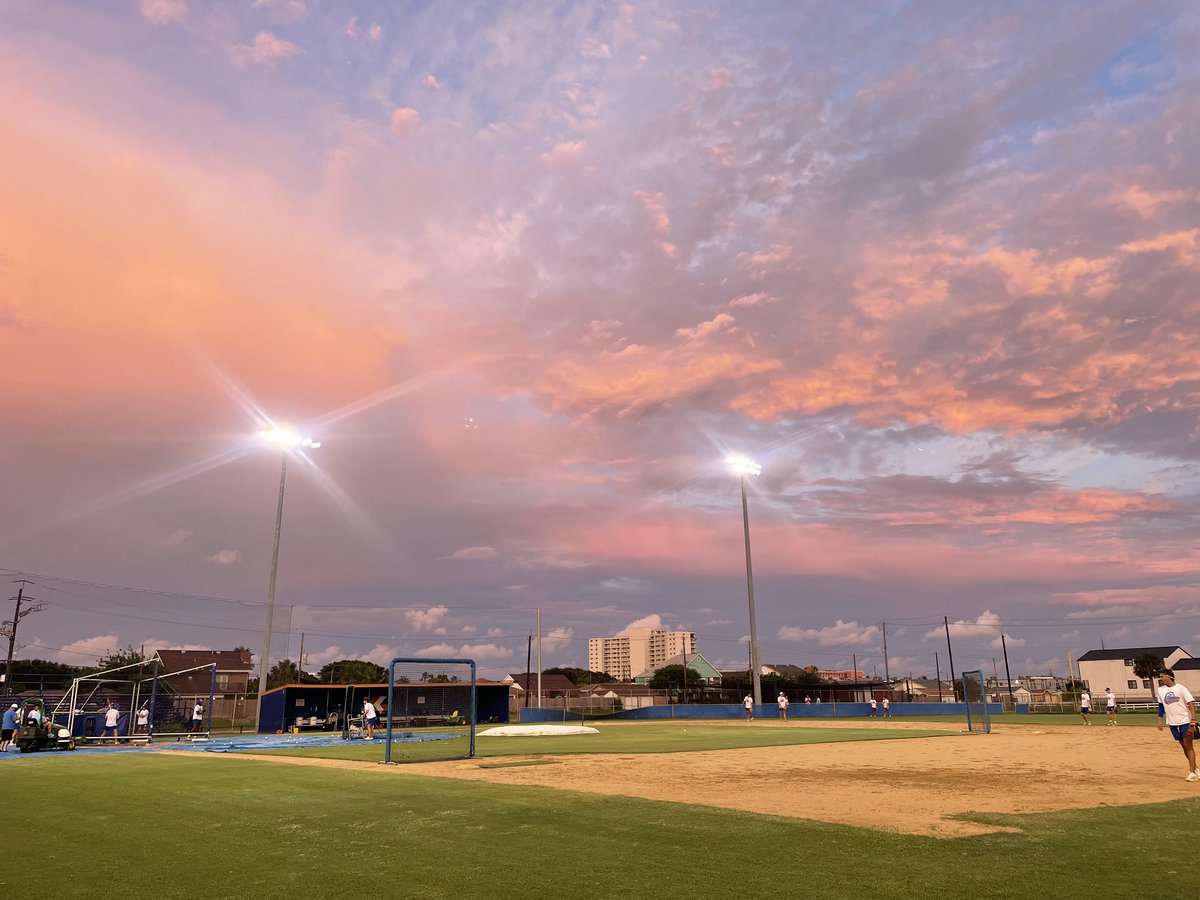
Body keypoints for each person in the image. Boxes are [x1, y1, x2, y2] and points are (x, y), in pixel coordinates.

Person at [1156, 668, 1198, 781]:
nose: (1161, 679)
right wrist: (1160, 719)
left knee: (1188, 746)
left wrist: (1193, 719)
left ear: (1169, 676)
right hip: (1172, 722)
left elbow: (1190, 703)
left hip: (1185, 721)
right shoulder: (1160, 690)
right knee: (1184, 747)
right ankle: (1196, 769)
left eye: (1162, 676)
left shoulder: (1181, 688)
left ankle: (1192, 772)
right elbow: (1161, 706)